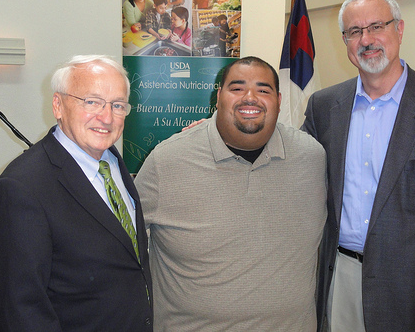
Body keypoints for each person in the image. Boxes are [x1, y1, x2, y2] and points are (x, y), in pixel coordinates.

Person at [301, 0, 415, 332]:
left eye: (376, 26)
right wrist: (218, 131)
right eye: (355, 31)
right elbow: (291, 162)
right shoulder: (324, 107)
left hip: (414, 295)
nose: (366, 39)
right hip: (338, 282)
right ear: (345, 41)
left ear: (399, 29)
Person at [135, 56, 327, 331]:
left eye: (263, 90)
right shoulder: (167, 161)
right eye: (237, 88)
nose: (250, 98)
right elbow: (122, 248)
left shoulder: (312, 158)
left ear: (280, 100)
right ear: (218, 96)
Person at [0, 55, 153, 332]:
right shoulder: (21, 188)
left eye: (118, 105)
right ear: (58, 106)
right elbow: (21, 310)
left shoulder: (111, 162)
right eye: (91, 102)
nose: (107, 116)